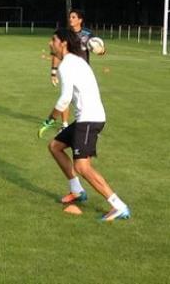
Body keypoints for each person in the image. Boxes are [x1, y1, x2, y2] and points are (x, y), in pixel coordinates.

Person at [41, 28, 130, 221]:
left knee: (82, 166)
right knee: (55, 146)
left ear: (63, 43)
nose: (50, 43)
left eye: (53, 40)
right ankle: (77, 191)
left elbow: (64, 99)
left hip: (90, 118)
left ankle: (118, 205)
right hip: (87, 117)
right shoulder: (74, 61)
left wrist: (49, 120)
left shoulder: (67, 65)